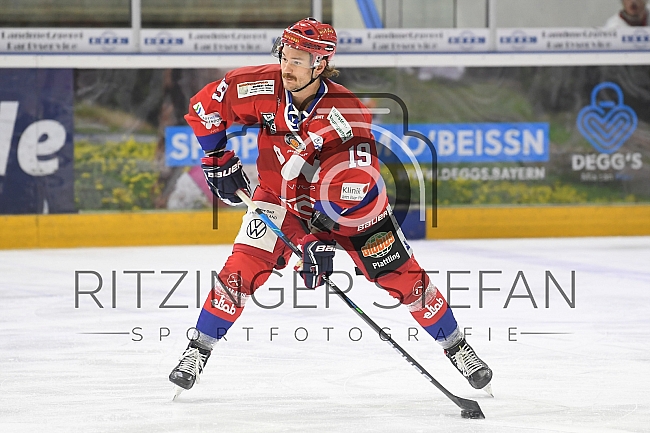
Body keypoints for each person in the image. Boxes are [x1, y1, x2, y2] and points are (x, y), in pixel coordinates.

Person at [168, 17, 492, 397]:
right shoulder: (259, 85)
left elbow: (352, 190)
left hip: (354, 209)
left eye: (297, 61)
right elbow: (205, 108)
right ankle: (198, 349)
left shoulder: (347, 114)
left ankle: (456, 346)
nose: (286, 68)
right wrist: (217, 156)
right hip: (279, 199)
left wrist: (315, 241)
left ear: (319, 64)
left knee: (404, 278)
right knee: (241, 269)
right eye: (284, 56)